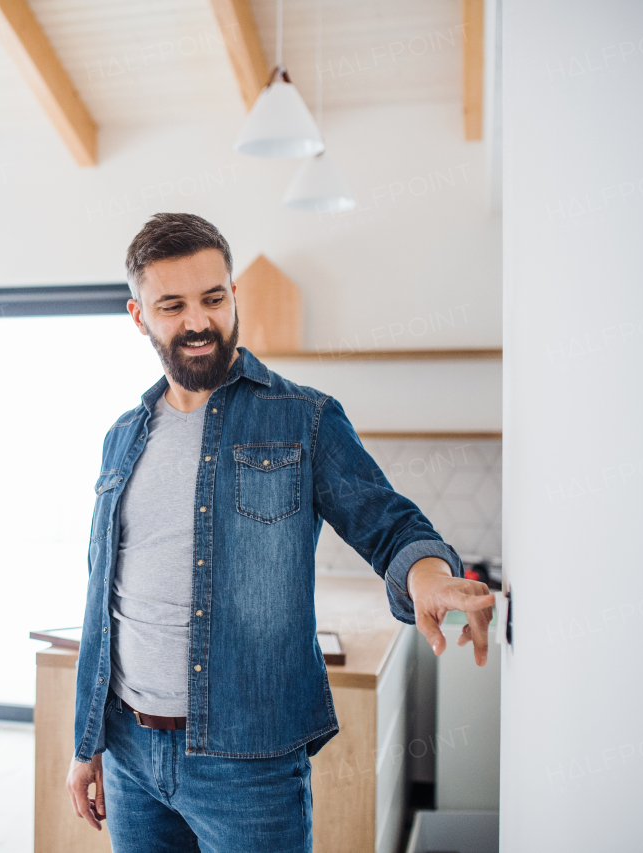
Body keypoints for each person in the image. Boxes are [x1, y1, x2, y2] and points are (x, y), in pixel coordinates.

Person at [65, 214, 495, 851]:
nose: (197, 322)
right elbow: (106, 599)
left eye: (213, 298)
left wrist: (428, 574)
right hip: (129, 752)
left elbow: (388, 522)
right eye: (172, 305)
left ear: (234, 295)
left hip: (249, 762)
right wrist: (87, 742)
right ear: (139, 316)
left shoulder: (305, 418)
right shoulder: (122, 437)